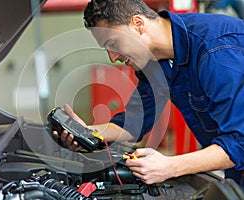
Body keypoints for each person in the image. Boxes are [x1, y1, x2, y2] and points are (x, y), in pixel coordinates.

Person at [53, 0, 244, 190]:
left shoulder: (216, 51)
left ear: (138, 24)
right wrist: (87, 133)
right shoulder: (152, 61)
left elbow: (239, 143)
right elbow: (134, 123)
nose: (113, 58)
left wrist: (170, 167)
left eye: (113, 43)